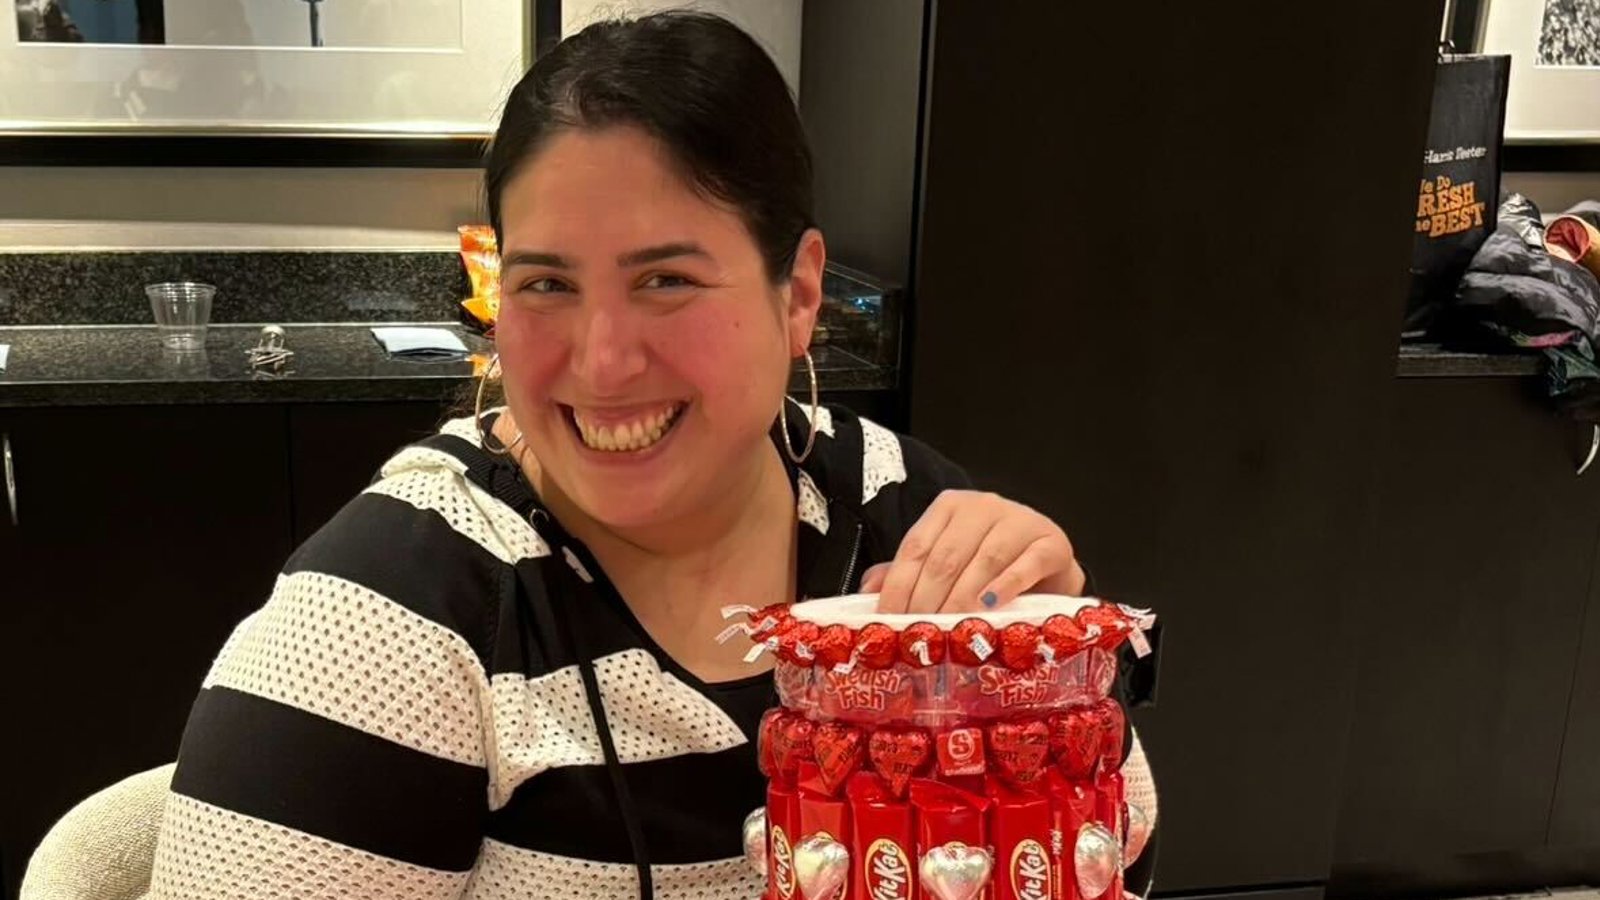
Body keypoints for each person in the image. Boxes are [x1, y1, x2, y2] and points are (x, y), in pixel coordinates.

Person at [146, 12, 1156, 899]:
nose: (602, 359)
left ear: (797, 293)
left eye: (665, 280)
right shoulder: (393, 622)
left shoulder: (902, 516)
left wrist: (1052, 666)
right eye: (543, 285)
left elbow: (1120, 862)